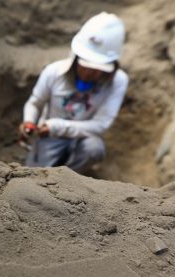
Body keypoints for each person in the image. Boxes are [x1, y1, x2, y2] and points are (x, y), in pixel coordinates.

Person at [19, 12, 129, 173]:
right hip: (49, 136)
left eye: (97, 69)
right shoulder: (53, 72)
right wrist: (28, 121)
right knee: (31, 177)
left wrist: (56, 126)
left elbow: (101, 125)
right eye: (86, 66)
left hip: (83, 137)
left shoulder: (118, 81)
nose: (90, 74)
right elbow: (35, 102)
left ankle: (69, 178)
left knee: (94, 148)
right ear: (76, 56)